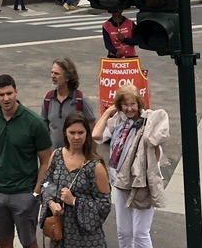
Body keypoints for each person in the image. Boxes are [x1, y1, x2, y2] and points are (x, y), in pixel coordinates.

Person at [0, 74, 52, 248]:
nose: (6, 98)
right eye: (2, 94)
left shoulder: (34, 122)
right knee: (3, 242)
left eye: (9, 93)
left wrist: (36, 192)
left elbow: (46, 161)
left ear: (16, 92)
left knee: (29, 242)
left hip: (24, 193)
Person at [91, 84, 168, 248]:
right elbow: (96, 135)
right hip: (121, 182)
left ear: (139, 103)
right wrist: (107, 112)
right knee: (124, 232)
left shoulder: (148, 121)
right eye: (125, 104)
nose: (129, 108)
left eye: (133, 104)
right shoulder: (118, 121)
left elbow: (157, 152)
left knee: (140, 234)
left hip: (142, 184)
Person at [41, 112, 112, 248]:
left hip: (86, 239)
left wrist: (74, 201)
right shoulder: (56, 156)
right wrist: (51, 203)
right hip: (60, 234)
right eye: (72, 132)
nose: (76, 137)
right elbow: (46, 183)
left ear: (87, 133)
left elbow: (104, 205)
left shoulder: (95, 166)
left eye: (81, 132)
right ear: (65, 133)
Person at [42, 59, 97, 150]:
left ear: (67, 78)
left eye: (57, 73)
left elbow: (93, 131)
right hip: (55, 158)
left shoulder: (81, 99)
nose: (52, 76)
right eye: (52, 72)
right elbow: (44, 131)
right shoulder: (47, 99)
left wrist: (90, 156)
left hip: (77, 158)